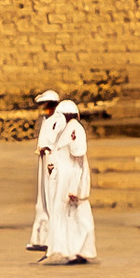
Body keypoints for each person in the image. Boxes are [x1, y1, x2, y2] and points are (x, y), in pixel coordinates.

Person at [46, 98, 95, 266]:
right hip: (66, 180)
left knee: (80, 216)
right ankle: (73, 250)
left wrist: (74, 187)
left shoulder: (75, 130)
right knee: (71, 216)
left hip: (72, 180)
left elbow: (77, 159)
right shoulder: (66, 130)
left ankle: (80, 250)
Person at [27, 90, 63, 255]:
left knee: (51, 197)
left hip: (52, 160)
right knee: (42, 199)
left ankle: (52, 238)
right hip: (44, 160)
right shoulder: (46, 120)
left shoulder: (59, 121)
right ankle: (40, 238)